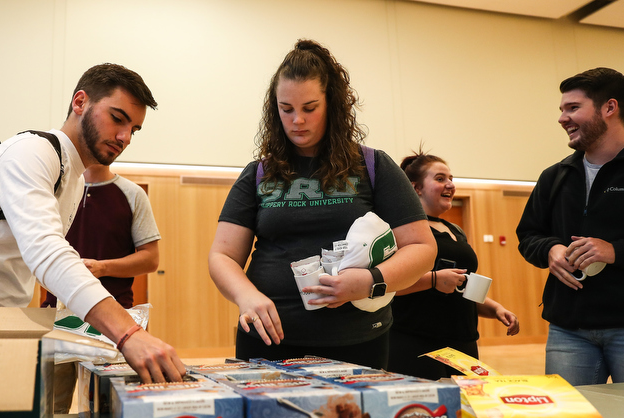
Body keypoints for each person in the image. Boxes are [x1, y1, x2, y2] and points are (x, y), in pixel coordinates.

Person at [0, 63, 184, 384]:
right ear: (80, 102)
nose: (124, 137)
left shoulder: (72, 176)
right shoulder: (30, 152)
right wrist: (128, 333)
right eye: (118, 118)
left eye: (134, 129)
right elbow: (47, 252)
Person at [208, 39, 436, 369]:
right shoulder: (258, 173)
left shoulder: (374, 166)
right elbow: (223, 255)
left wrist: (371, 280)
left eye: (309, 108)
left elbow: (421, 247)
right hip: (267, 341)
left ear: (332, 104)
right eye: (286, 109)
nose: (297, 120)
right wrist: (246, 295)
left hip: (358, 341)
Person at [517, 67, 624, 385]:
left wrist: (613, 251)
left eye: (573, 108)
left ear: (609, 108)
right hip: (567, 330)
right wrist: (550, 249)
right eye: (562, 109)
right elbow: (528, 234)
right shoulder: (555, 176)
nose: (562, 118)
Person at [388, 150, 519, 380]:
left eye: (451, 179)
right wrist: (435, 280)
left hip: (462, 343)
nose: (450, 184)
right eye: (440, 179)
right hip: (415, 342)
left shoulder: (456, 231)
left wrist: (496, 308)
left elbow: (463, 289)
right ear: (416, 188)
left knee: (465, 412)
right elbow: (387, 287)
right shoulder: (401, 230)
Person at [42, 163, 161, 412]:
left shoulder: (132, 194)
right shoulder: (54, 192)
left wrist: (102, 268)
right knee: (49, 412)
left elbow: (150, 259)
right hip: (57, 321)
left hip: (111, 323)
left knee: (105, 412)